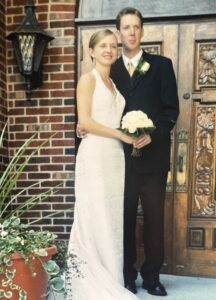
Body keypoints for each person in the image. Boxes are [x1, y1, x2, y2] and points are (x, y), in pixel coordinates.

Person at [109, 7, 179, 297]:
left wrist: (153, 133)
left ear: (142, 30)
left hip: (154, 159)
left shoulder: (161, 65)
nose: (132, 32)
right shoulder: (109, 68)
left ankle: (152, 276)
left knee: (153, 219)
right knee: (123, 219)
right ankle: (127, 275)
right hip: (119, 159)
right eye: (126, 27)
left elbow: (170, 110)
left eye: (136, 27)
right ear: (119, 32)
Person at [66, 29, 141, 300]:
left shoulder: (115, 85)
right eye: (103, 46)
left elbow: (101, 118)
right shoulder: (88, 80)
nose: (108, 50)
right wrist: (122, 134)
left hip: (114, 158)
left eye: (113, 45)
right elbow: (85, 121)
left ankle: (111, 277)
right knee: (94, 213)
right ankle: (90, 280)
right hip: (96, 155)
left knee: (111, 217)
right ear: (91, 51)